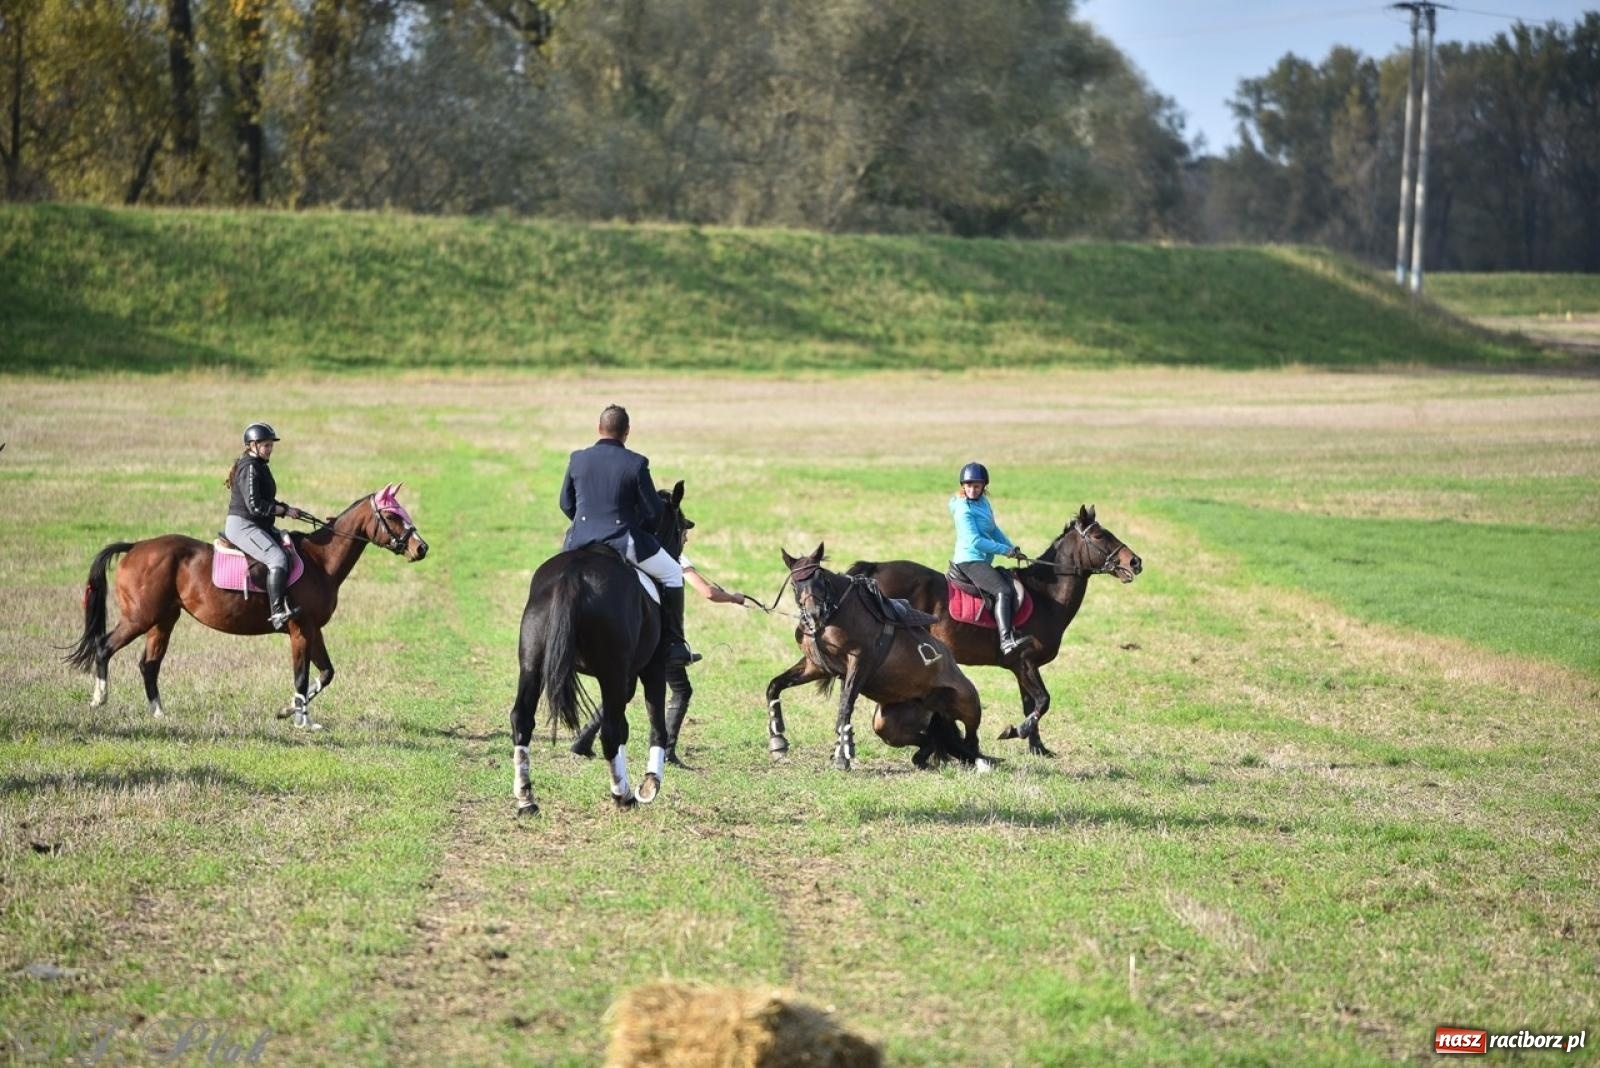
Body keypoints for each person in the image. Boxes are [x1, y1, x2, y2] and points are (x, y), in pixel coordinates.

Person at [559, 405, 693, 666]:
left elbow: (566, 503)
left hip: (578, 540)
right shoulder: (636, 463)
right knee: (673, 574)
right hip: (622, 539)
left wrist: (588, 524)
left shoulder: (577, 458)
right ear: (627, 432)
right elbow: (654, 512)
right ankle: (675, 644)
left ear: (599, 429)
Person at [662, 533, 745, 764]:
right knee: (682, 690)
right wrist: (734, 598)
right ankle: (667, 752)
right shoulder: (672, 554)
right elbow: (708, 592)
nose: (686, 539)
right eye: (684, 534)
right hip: (662, 639)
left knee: (622, 686)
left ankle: (585, 739)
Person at [224, 422, 308, 631]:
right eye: (266, 445)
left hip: (257, 525)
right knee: (277, 558)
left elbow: (264, 500)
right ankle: (277, 613)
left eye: (271, 445)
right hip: (244, 525)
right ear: (252, 445)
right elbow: (255, 506)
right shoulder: (250, 467)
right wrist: (283, 511)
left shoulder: (259, 465)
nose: (270, 449)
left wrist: (287, 508)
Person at [949, 461, 1037, 657]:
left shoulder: (983, 503)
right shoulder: (964, 510)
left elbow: (993, 529)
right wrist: (1004, 550)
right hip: (969, 561)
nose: (972, 489)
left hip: (982, 560)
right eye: (969, 485)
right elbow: (975, 541)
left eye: (977, 486)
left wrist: (1012, 547)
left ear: (984, 487)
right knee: (1003, 590)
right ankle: (1006, 641)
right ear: (963, 486)